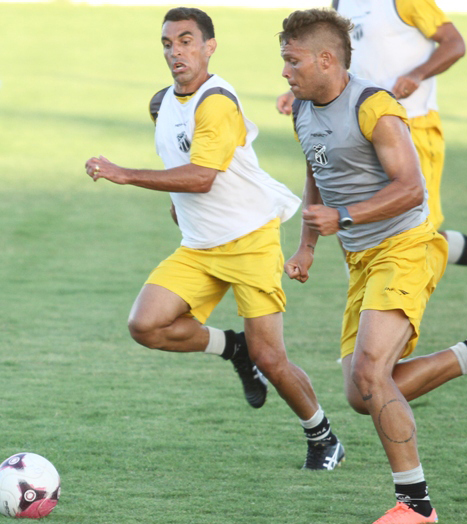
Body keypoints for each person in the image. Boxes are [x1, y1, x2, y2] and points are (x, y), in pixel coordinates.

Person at [278, 8, 467, 524]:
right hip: (358, 258)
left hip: (405, 245)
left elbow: (411, 190)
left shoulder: (374, 107)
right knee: (362, 395)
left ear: (325, 59)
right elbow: (316, 169)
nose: (285, 73)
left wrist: (344, 215)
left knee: (369, 374)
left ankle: (416, 504)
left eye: (292, 62)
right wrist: (307, 247)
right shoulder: (301, 108)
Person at [84, 7, 344, 470]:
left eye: (186, 41)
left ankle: (323, 436)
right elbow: (180, 160)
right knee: (145, 325)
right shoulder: (161, 103)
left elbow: (203, 176)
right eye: (168, 43)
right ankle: (232, 347)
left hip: (249, 242)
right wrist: (177, 207)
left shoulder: (217, 102)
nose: (176, 51)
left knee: (273, 358)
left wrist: (125, 174)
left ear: (209, 46)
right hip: (200, 245)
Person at [276, 0, 467, 321]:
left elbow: (454, 43)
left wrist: (417, 74)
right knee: (357, 223)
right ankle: (369, 330)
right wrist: (306, 89)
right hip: (352, 128)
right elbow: (327, 56)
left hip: (410, 125)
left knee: (414, 232)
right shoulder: (341, 3)